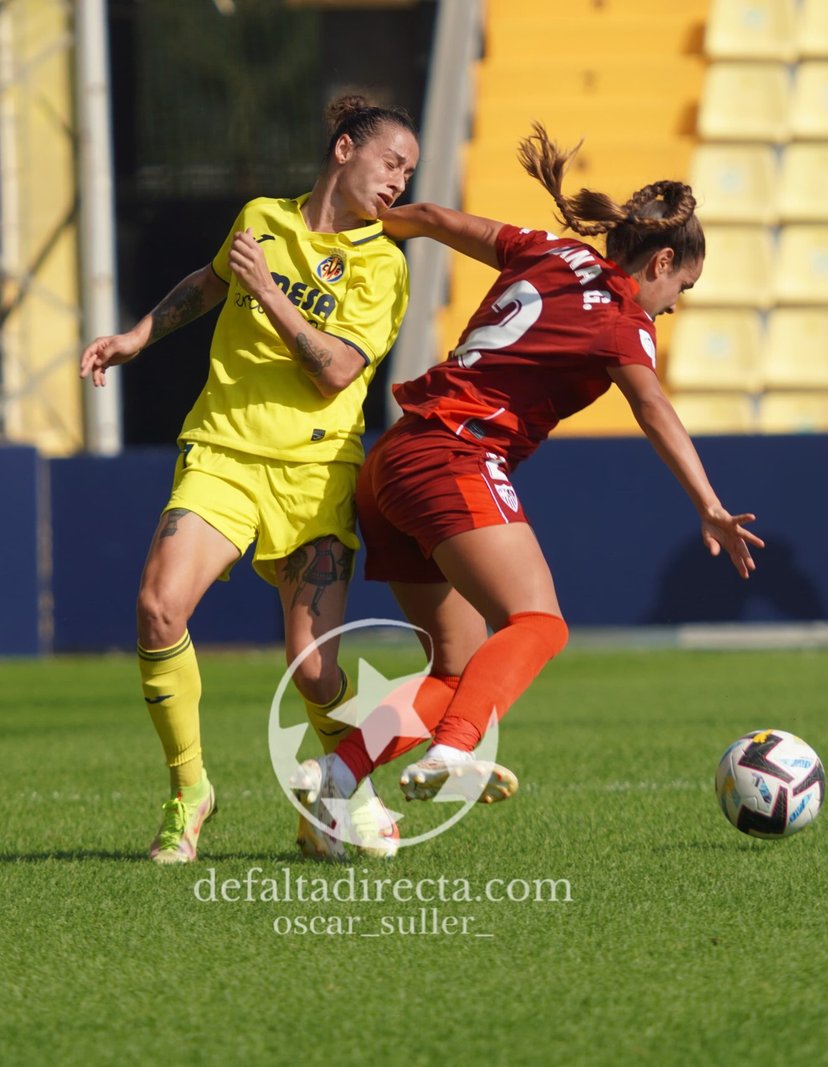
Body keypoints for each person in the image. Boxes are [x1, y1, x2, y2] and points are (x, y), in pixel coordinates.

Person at [289, 125, 764, 858]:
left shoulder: (547, 249)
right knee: (540, 624)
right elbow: (652, 407)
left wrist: (347, 225)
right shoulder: (625, 321)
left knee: (458, 665)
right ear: (662, 261)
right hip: (455, 455)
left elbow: (434, 219)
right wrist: (708, 503)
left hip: (394, 459)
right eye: (682, 288)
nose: (673, 305)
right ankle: (455, 751)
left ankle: (336, 773)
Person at [79, 96, 418, 864]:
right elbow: (209, 282)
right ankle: (189, 790)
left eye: (408, 173)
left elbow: (337, 371)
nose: (399, 182)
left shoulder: (382, 265)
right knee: (158, 607)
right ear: (344, 148)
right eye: (391, 162)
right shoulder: (261, 217)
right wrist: (137, 336)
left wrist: (268, 291)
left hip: (315, 469)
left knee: (314, 665)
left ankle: (340, 794)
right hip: (225, 451)